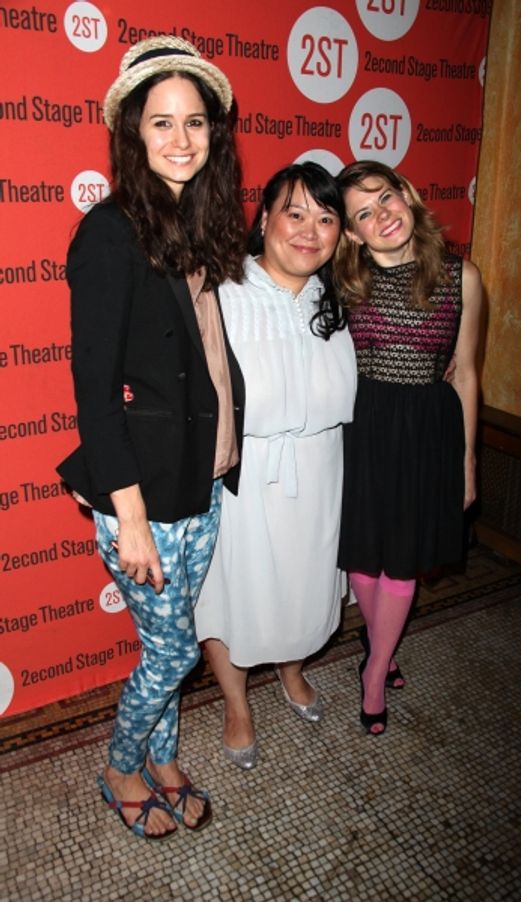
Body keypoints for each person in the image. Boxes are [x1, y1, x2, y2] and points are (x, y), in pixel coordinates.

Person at [57, 36, 246, 837]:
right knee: (169, 653)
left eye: (195, 122)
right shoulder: (110, 233)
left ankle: (165, 758)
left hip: (199, 480)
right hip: (142, 494)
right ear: (133, 134)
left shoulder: (196, 221)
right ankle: (120, 765)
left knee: (166, 639)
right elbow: (94, 395)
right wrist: (129, 517)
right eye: (161, 123)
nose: (180, 140)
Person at [194, 162, 357, 768]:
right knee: (230, 594)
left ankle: (291, 670)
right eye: (295, 213)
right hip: (244, 475)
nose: (310, 230)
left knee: (305, 586)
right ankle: (237, 704)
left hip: (321, 470)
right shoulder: (221, 293)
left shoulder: (340, 299)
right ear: (264, 220)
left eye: (325, 217)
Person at [333, 160, 482, 736]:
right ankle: (383, 647)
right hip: (363, 425)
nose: (381, 216)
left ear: (407, 195)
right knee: (363, 553)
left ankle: (374, 671)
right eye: (362, 213)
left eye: (384, 198)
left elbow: (466, 374)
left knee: (402, 556)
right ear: (351, 232)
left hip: (426, 429)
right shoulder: (343, 281)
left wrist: (466, 461)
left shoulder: (459, 276)